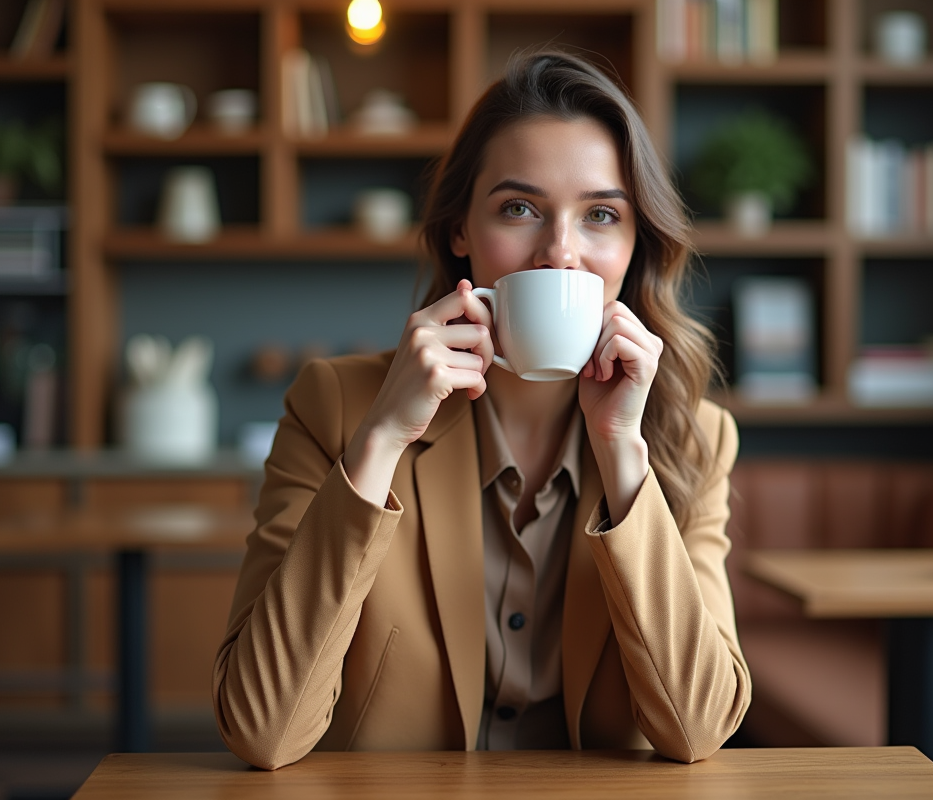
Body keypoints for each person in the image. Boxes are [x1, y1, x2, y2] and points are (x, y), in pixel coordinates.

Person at [212, 50, 750, 770]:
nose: (561, 253)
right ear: (461, 231)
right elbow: (260, 730)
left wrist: (623, 453)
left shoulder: (693, 437)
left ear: (634, 245)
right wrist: (381, 442)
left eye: (601, 215)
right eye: (519, 208)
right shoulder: (337, 408)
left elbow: (700, 730)